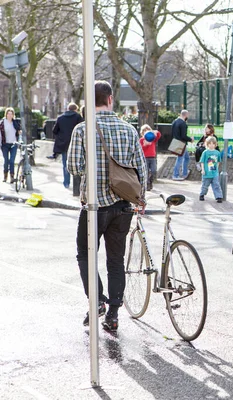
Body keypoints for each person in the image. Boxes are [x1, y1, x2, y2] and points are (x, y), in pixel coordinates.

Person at [67, 80, 148, 332]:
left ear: (89, 102)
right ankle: (113, 313)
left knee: (85, 254)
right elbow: (141, 170)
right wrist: (140, 198)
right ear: (110, 99)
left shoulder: (82, 130)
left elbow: (73, 167)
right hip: (123, 206)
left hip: (93, 207)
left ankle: (97, 301)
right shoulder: (129, 130)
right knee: (116, 259)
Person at [47, 103, 84, 189]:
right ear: (75, 109)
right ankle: (76, 185)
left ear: (68, 109)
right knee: (77, 163)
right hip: (75, 143)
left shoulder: (60, 118)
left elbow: (54, 130)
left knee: (65, 164)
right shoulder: (78, 117)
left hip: (64, 144)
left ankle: (66, 183)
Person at [198, 136, 223, 203]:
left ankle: (218, 197)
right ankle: (202, 194)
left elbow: (218, 161)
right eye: (210, 144)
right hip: (206, 173)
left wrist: (216, 168)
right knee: (205, 185)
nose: (211, 145)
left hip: (214, 173)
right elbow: (202, 162)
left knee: (216, 185)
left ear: (215, 144)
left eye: (213, 144)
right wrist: (203, 170)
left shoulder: (217, 153)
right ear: (207, 144)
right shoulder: (205, 152)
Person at [0, 107, 22, 183]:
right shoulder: (2, 123)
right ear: (6, 114)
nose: (9, 115)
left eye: (11, 114)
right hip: (5, 144)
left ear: (13, 115)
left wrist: (19, 134)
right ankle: (5, 175)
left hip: (13, 144)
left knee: (12, 161)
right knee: (6, 161)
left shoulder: (15, 122)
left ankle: (12, 176)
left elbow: (19, 132)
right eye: (8, 114)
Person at [171, 109, 192, 180]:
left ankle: (185, 173)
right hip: (181, 143)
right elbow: (183, 136)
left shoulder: (174, 122)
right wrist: (190, 139)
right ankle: (175, 175)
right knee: (180, 159)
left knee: (186, 158)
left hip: (175, 141)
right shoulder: (183, 124)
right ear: (186, 115)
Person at [139, 124, 161, 191]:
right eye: (145, 131)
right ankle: (147, 184)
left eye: (148, 130)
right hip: (145, 157)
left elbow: (158, 135)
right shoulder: (141, 140)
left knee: (153, 170)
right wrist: (145, 145)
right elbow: (140, 149)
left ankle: (150, 180)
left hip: (152, 157)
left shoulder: (153, 139)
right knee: (146, 170)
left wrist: (156, 132)